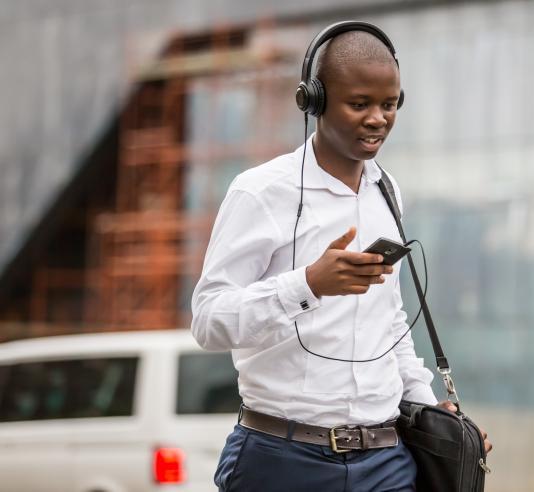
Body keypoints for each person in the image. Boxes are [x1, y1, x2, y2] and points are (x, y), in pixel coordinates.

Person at [191, 22, 491, 492]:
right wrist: (307, 284)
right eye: (359, 104)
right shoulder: (261, 192)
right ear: (314, 100)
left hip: (386, 460)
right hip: (281, 459)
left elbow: (391, 320)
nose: (377, 119)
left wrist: (428, 405)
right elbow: (208, 322)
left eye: (388, 105)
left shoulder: (386, 191)